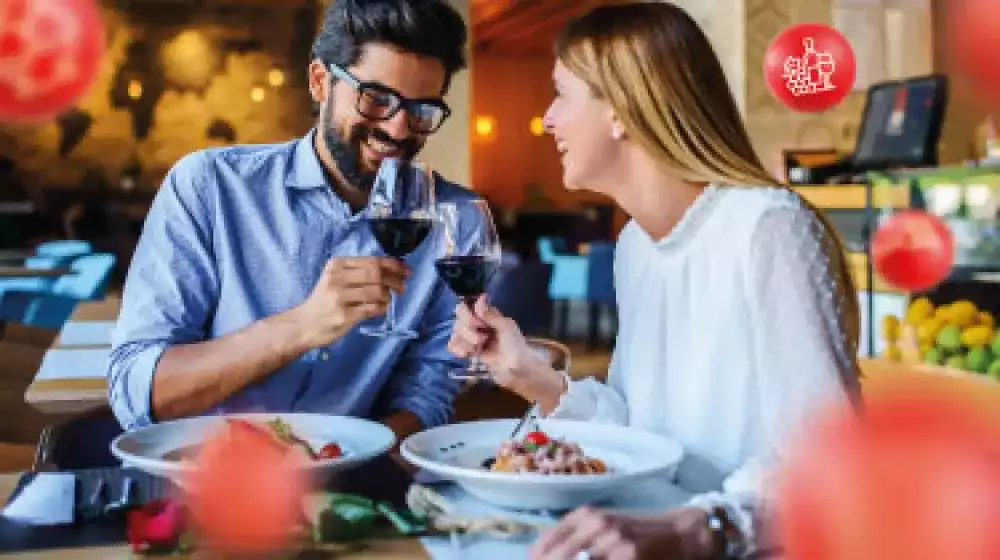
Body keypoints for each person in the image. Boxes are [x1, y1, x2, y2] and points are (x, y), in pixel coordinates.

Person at [447, 3, 863, 559]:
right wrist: (530, 377)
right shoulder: (635, 247)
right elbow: (641, 431)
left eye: (561, 94)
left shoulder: (767, 227)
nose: (547, 119)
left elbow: (833, 456)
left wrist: (698, 527)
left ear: (620, 109)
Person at [107, 0, 479, 443]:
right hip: (207, 481)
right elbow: (137, 393)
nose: (399, 130)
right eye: (377, 99)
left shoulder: (457, 220)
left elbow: (428, 397)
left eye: (421, 110)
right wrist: (303, 326)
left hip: (358, 486)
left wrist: (341, 462)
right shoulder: (209, 186)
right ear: (321, 81)